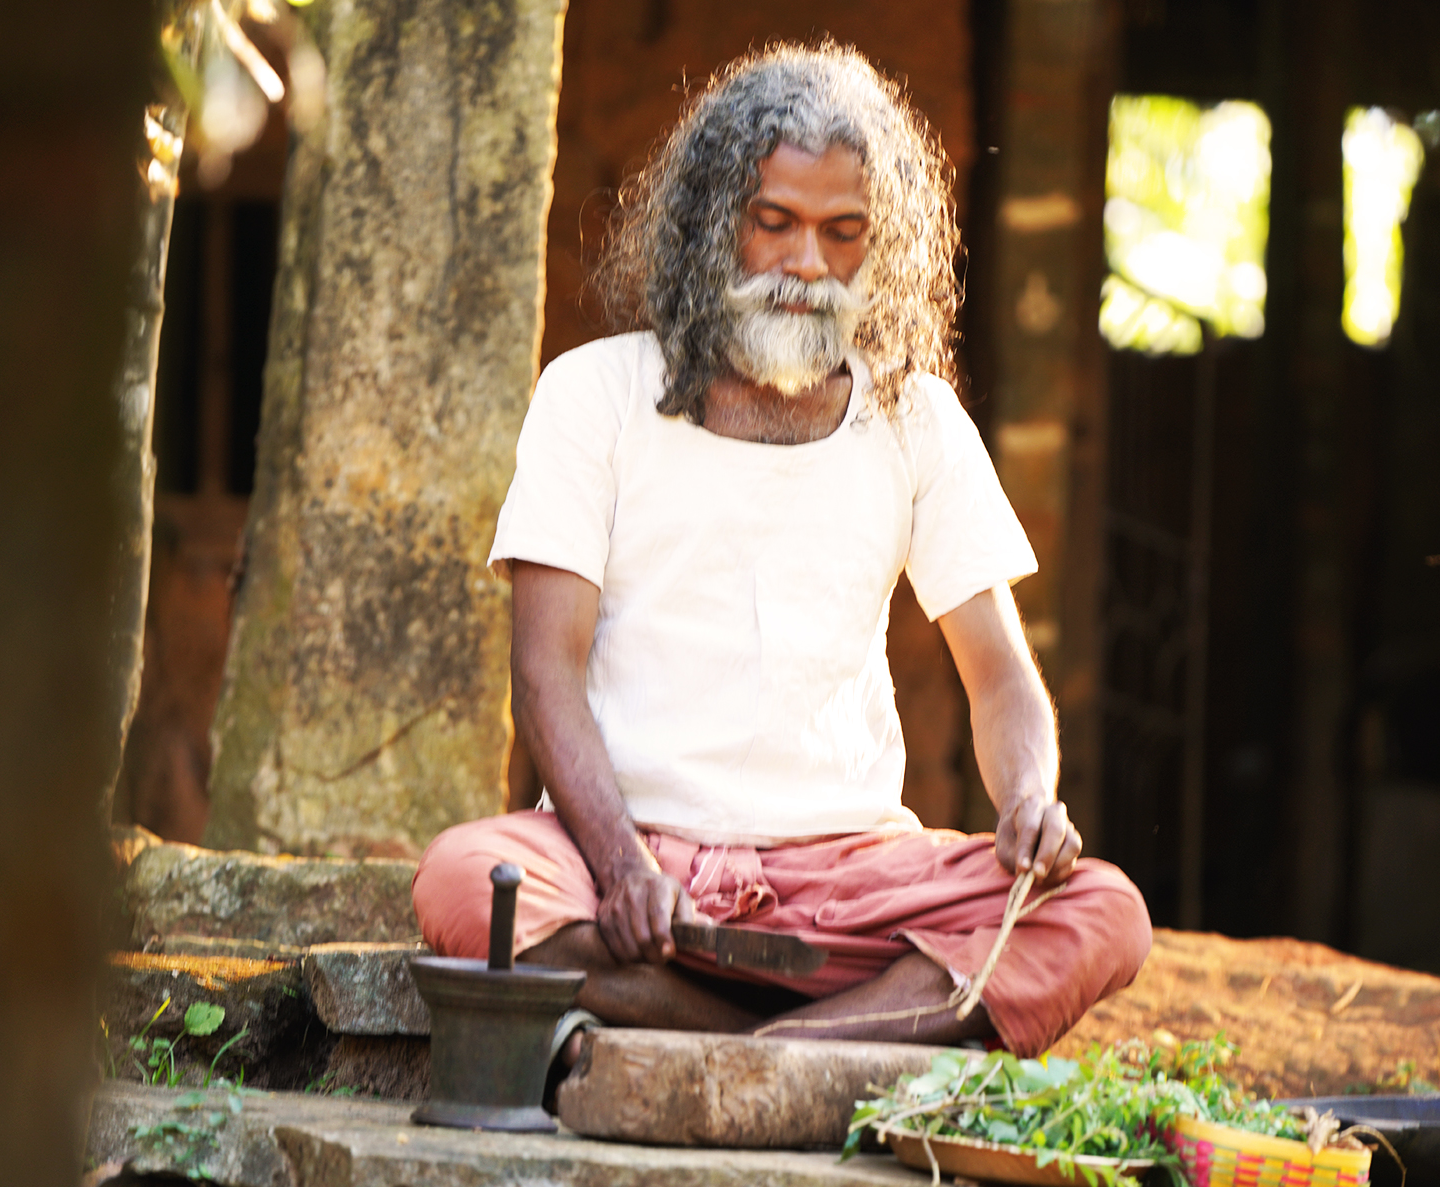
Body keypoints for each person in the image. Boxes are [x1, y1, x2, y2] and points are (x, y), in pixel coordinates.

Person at [411, 42, 1150, 1057]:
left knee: (1099, 908)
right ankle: (836, 1046)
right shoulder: (593, 394)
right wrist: (622, 864)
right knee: (466, 877)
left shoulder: (916, 418)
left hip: (847, 882)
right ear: (716, 225)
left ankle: (747, 1056)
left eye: (842, 233)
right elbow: (545, 674)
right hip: (633, 867)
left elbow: (1003, 679)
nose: (807, 263)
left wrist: (1027, 800)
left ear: (876, 248)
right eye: (777, 224)